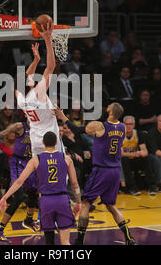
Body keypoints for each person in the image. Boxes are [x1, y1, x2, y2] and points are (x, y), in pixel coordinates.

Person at [69, 102, 136, 245]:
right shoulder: (122, 127)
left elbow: (76, 129)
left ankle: (79, 241)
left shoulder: (101, 126)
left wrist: (62, 117)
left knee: (86, 203)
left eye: (109, 107)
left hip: (102, 169)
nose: (107, 108)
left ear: (111, 112)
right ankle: (130, 239)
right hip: (115, 170)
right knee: (111, 206)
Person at [0, 131, 81, 245]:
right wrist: (78, 202)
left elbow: (19, 181)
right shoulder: (67, 159)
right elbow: (75, 184)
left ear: (43, 143)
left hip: (46, 201)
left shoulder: (36, 160)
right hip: (62, 200)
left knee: (49, 241)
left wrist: (5, 197)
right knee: (65, 242)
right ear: (56, 142)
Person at [16, 22, 64, 156]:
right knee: (59, 173)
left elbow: (22, 80)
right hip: (50, 139)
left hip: (36, 141)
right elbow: (50, 67)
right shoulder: (37, 93)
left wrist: (36, 61)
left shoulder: (20, 97)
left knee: (41, 173)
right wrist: (48, 40)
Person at [120, 115, 152, 195]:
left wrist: (143, 153)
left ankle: (151, 186)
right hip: (124, 161)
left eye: (130, 124)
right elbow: (120, 153)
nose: (128, 126)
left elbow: (145, 150)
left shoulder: (138, 134)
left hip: (135, 160)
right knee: (124, 159)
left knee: (147, 158)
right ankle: (132, 188)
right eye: (126, 124)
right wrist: (134, 153)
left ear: (134, 125)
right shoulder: (119, 135)